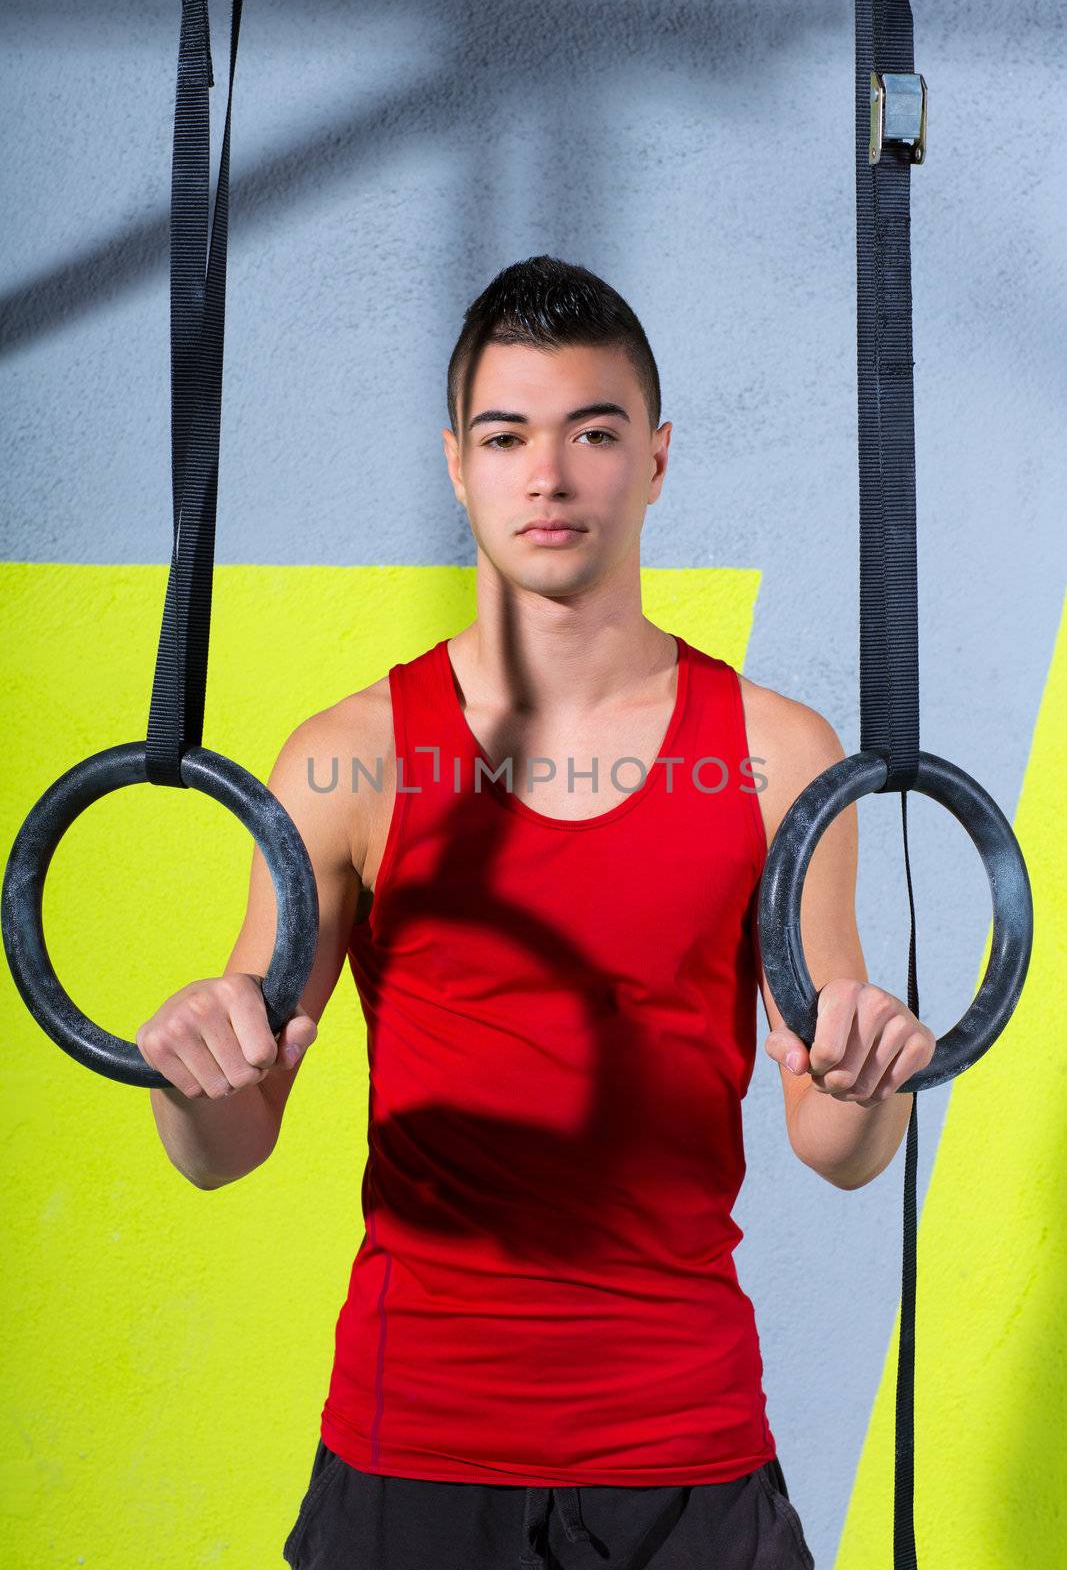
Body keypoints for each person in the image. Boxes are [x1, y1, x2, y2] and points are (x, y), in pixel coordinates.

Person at [139, 256, 933, 1569]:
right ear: (458, 463)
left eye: (593, 433)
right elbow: (224, 1145)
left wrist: (875, 1073)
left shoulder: (779, 752)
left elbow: (837, 1145)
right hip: (413, 1444)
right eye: (508, 436)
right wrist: (186, 1071)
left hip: (682, 1444)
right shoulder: (348, 758)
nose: (549, 477)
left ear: (658, 459)